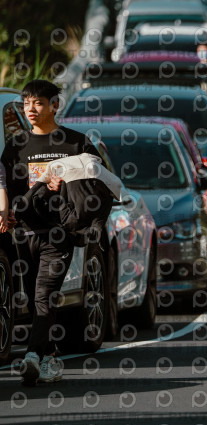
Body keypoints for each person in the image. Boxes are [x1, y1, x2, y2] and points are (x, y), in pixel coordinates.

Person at [2, 80, 102, 385]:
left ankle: (31, 356)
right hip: (26, 233)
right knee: (35, 299)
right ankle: (49, 358)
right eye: (27, 104)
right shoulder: (17, 145)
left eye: (38, 103)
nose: (31, 109)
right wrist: (7, 212)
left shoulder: (75, 142)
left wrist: (69, 183)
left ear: (54, 105)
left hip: (59, 233)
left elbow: (96, 182)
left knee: (45, 294)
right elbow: (7, 185)